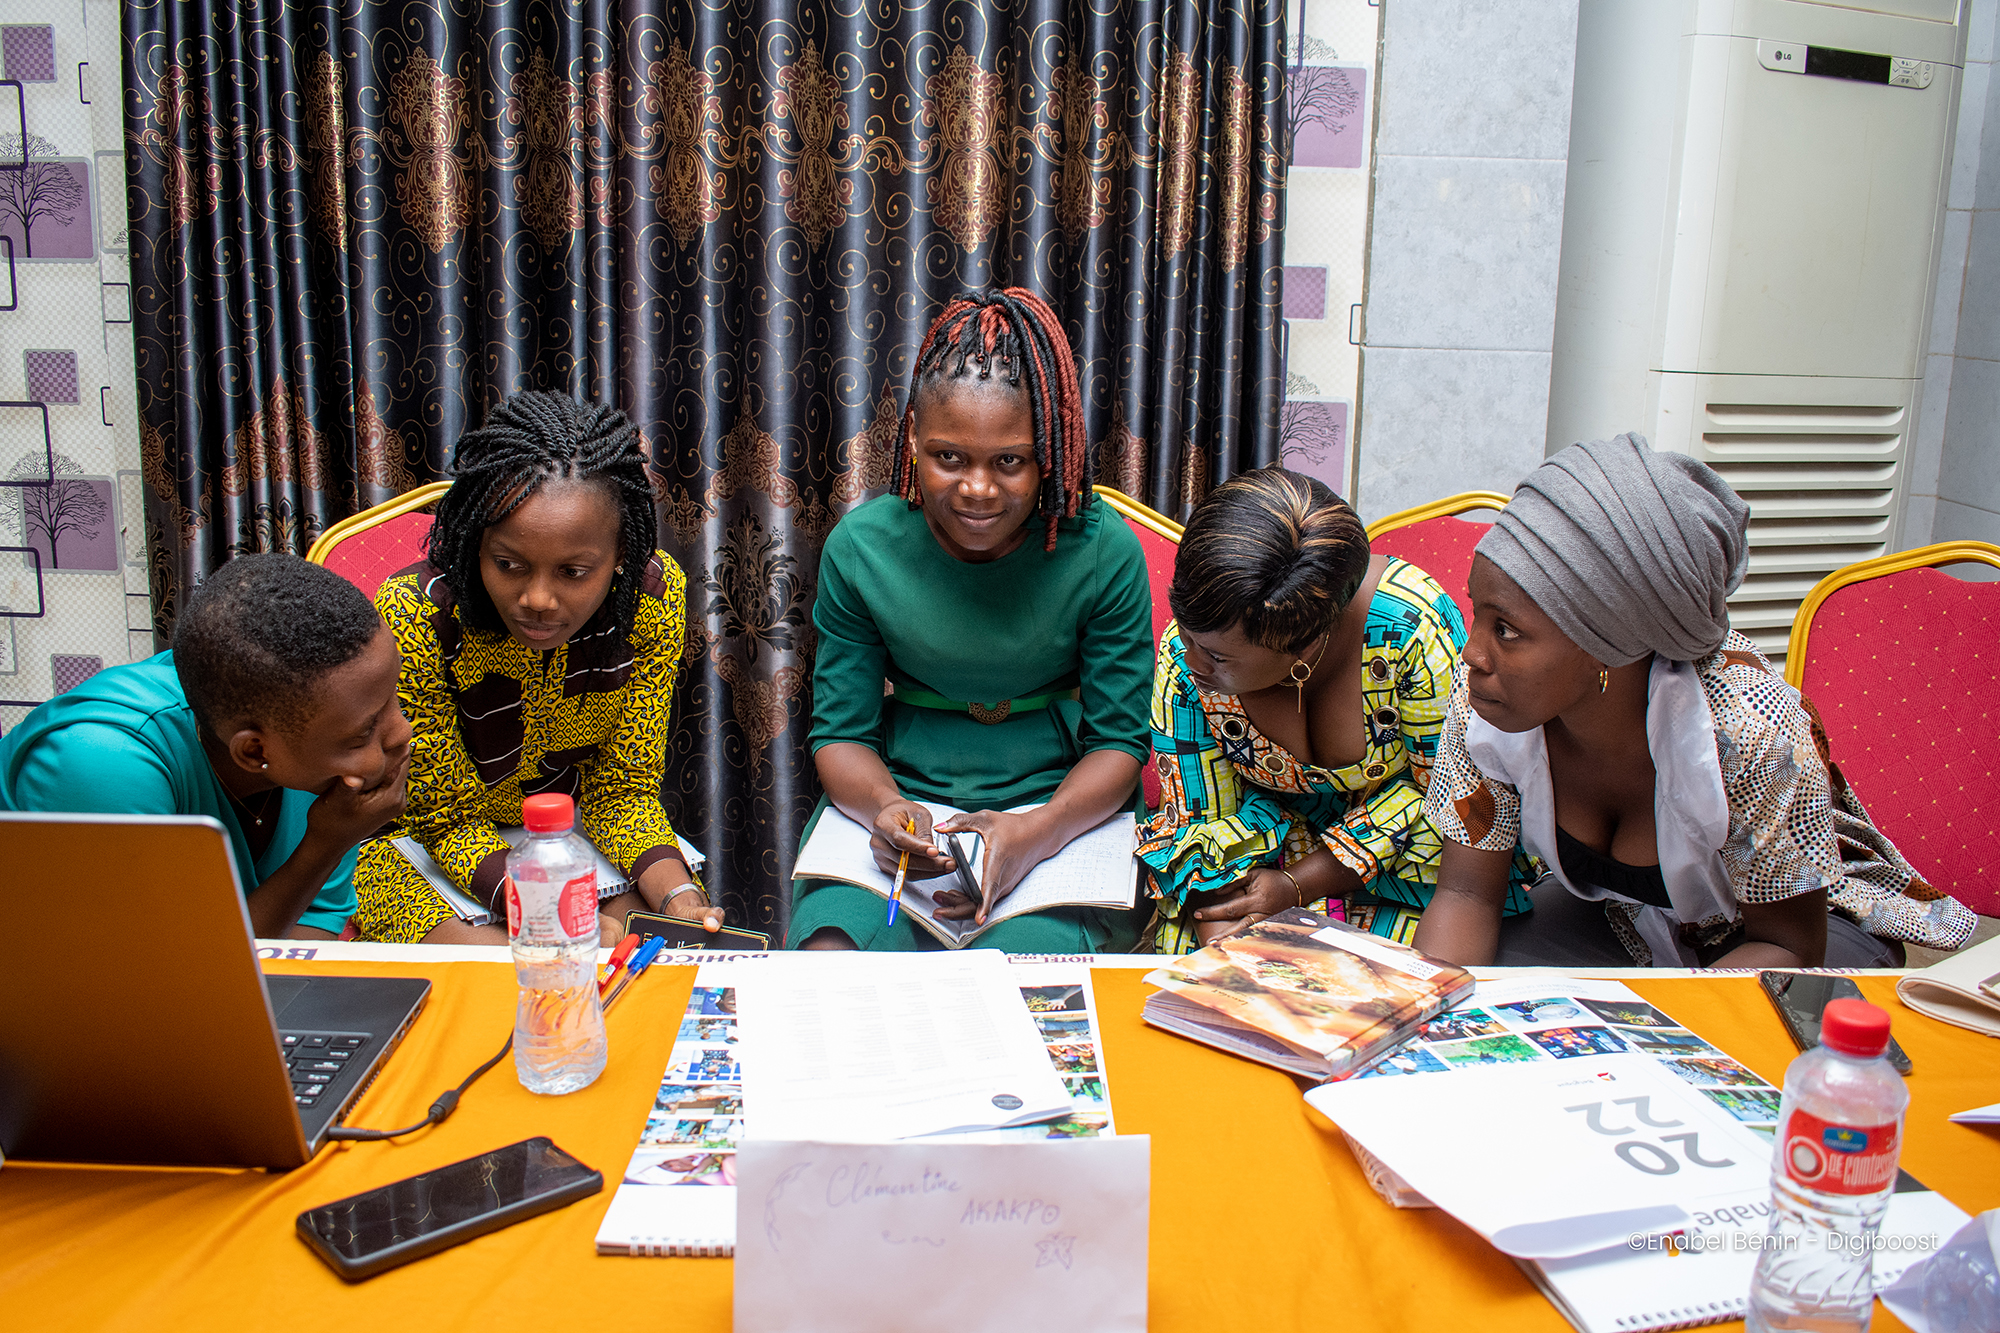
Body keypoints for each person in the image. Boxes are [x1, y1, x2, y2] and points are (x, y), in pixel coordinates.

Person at [1414, 433, 1974, 968]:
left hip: (1796, 932)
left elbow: (1790, 948)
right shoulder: (1487, 705)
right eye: (1477, 614)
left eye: (1506, 629)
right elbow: (1467, 894)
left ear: (1605, 644)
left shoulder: (1749, 726)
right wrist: (1411, 1019)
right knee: (1485, 992)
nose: (1472, 654)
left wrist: (1658, 1033)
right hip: (1620, 917)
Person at [789, 286, 1154, 951]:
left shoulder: (1103, 549)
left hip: (1058, 811)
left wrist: (1034, 836)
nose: (978, 489)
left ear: (1049, 449)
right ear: (913, 441)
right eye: (948, 457)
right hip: (905, 799)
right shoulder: (862, 548)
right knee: (833, 962)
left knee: (1017, 991)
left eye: (1009, 461)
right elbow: (840, 735)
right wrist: (887, 810)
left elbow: (1119, 745)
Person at [352, 391, 722, 944]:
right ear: (477, 544)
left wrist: (681, 898)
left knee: (644, 939)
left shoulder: (650, 600)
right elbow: (446, 819)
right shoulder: (417, 615)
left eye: (574, 572)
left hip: (563, 836)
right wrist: (549, 915)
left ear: (621, 556)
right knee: (504, 970)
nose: (538, 599)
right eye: (509, 565)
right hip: (424, 848)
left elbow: (623, 792)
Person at [1136, 468, 1534, 951]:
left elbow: (1450, 804)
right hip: (1257, 862)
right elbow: (1200, 823)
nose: (1190, 659)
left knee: (1385, 974)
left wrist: (1298, 887)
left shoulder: (1412, 631)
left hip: (1396, 865)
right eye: (1186, 630)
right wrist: (1225, 945)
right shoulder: (1187, 658)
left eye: (1219, 657)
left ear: (1301, 647)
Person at [0, 553, 410, 938]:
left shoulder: (313, 744)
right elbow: (172, 977)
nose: (401, 732)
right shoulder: (101, 763)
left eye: (394, 698)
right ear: (254, 752)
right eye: (365, 731)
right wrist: (325, 845)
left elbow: (308, 933)